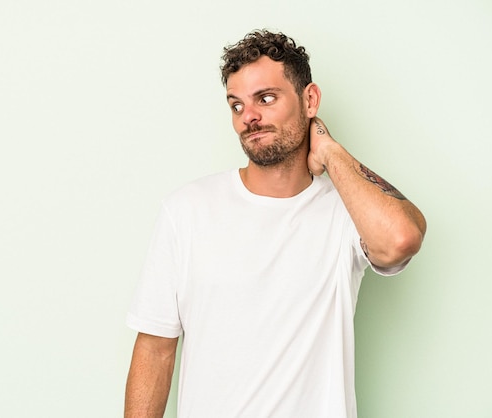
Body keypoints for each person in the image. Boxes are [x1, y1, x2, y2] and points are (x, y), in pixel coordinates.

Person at [124, 29, 426, 418]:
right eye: (236, 105)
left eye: (266, 99)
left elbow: (401, 238)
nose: (249, 116)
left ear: (309, 99)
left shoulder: (346, 214)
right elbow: (155, 346)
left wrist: (331, 150)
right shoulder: (187, 210)